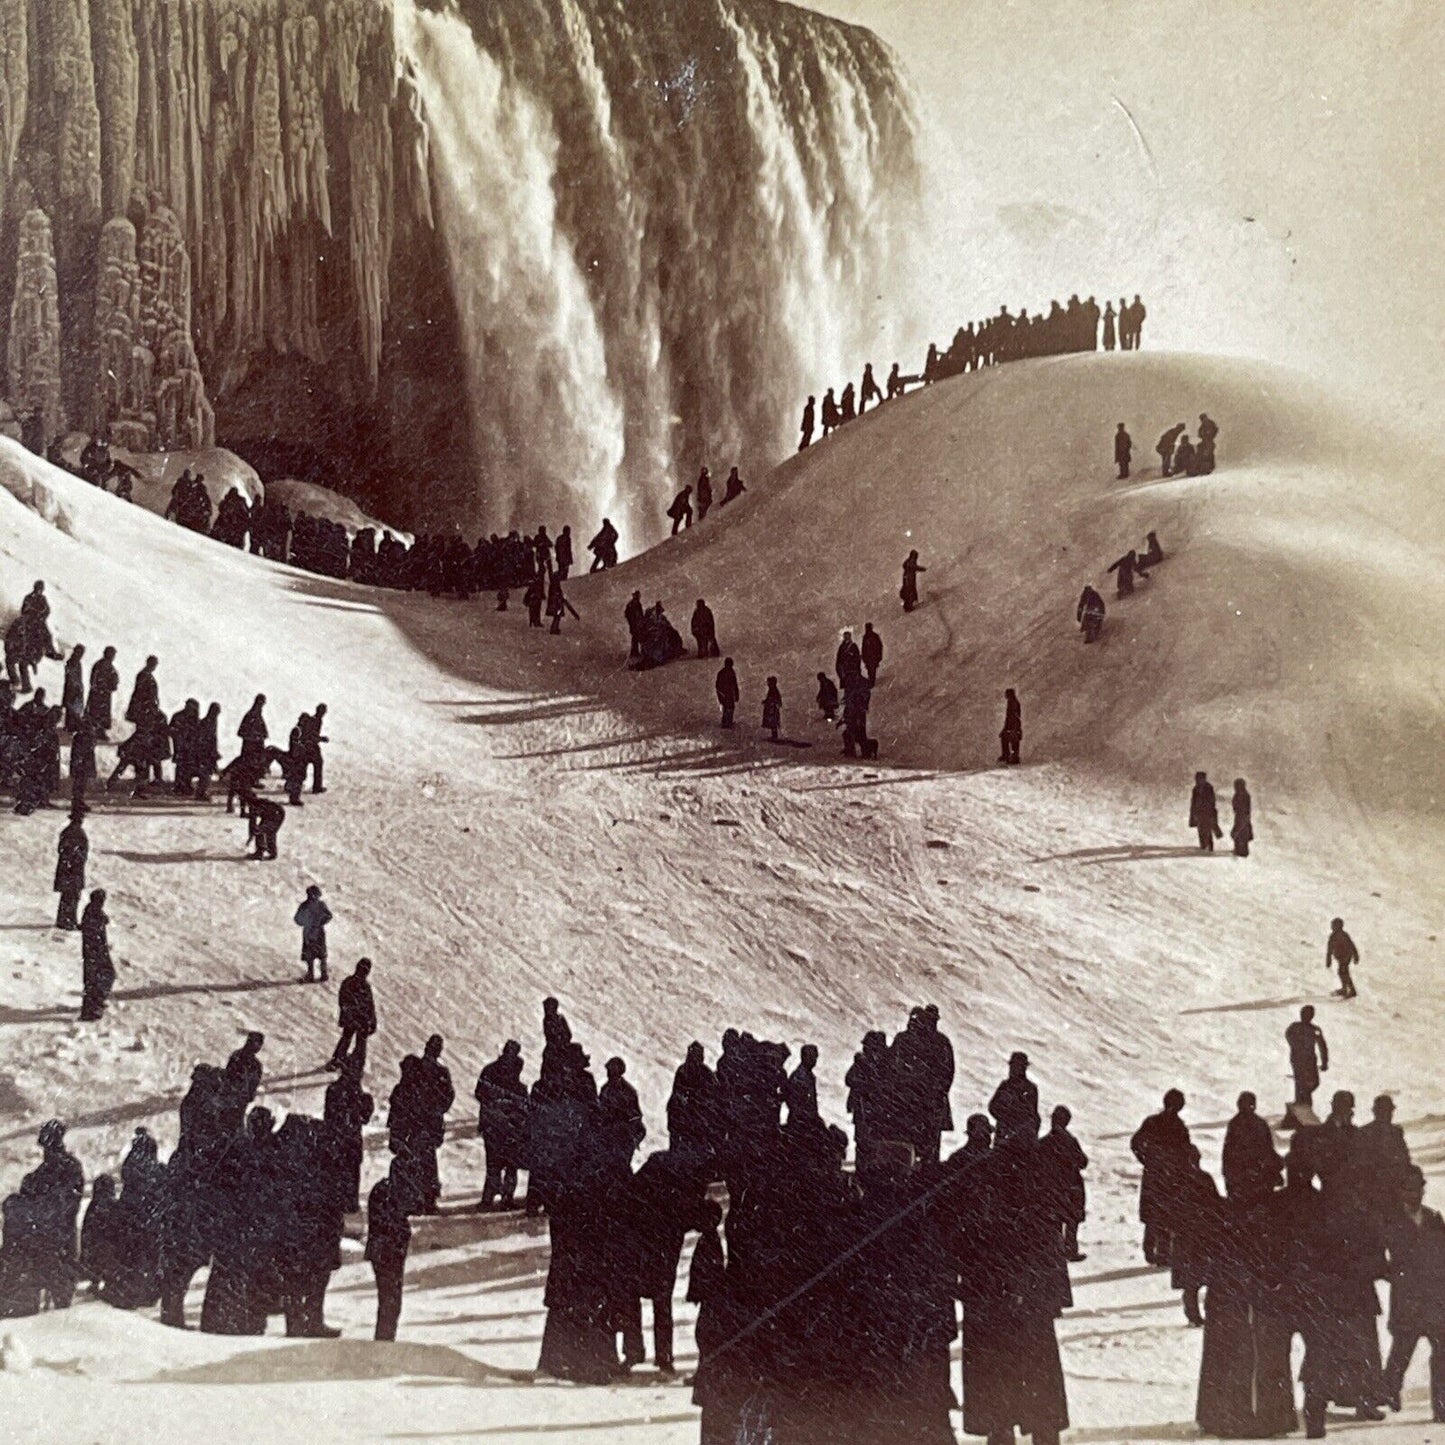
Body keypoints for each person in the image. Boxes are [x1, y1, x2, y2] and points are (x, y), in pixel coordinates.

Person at [1383, 1166, 1445, 1421]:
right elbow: (1379, 1257)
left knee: (1442, 1354)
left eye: (1418, 1188)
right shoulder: (1391, 1222)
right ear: (1400, 1192)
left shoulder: (1434, 1219)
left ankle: (1441, 1407)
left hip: (1434, 1297)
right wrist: (1394, 1274)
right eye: (1409, 1189)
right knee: (1401, 1350)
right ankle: (1389, 1389)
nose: (1415, 1194)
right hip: (1407, 1298)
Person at [1130, 1089, 1192, 1265]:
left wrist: (1146, 1159)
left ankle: (1150, 1251)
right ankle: (1162, 1254)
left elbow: (1135, 1143)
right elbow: (1186, 1154)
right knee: (1165, 1214)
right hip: (1170, 1177)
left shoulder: (1153, 1122)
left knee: (1153, 1214)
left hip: (1155, 1174)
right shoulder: (1179, 1128)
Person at [475, 1041, 528, 1210]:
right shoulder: (503, 1073)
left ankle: (490, 1198)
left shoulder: (491, 1070)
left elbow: (480, 1092)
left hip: (496, 1125)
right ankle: (503, 1197)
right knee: (506, 1164)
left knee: (496, 1164)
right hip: (505, 1126)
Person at [366, 1161, 412, 1341]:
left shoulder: (382, 1190)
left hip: (383, 1251)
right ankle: (384, 1339)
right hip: (388, 1252)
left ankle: (385, 1337)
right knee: (390, 1300)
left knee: (389, 1300)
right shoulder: (390, 1193)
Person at [1040, 1104, 1089, 1260]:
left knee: (1053, 1221)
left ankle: (1053, 1252)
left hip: (1051, 1186)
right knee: (1071, 1221)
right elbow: (1083, 1162)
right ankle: (1070, 1250)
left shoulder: (1044, 1142)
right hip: (1071, 1185)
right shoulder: (1070, 1141)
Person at [1221, 1092, 1282, 1201]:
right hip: (1251, 1177)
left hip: (1249, 1178)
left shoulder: (1237, 1124)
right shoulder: (1256, 1124)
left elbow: (1227, 1155)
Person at [329, 958, 376, 1071]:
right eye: (362, 970)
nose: (363, 973)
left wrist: (372, 1019)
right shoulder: (349, 983)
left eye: (365, 971)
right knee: (347, 1037)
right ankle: (338, 1059)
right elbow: (343, 1001)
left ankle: (357, 1062)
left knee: (361, 1042)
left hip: (362, 1020)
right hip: (351, 1019)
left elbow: (370, 1005)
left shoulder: (366, 987)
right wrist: (350, 1015)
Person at [989, 1051, 1040, 1146]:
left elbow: (1032, 1115)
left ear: (1023, 1068)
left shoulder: (1030, 1089)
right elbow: (992, 1107)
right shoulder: (1005, 1085)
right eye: (1012, 1066)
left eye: (1016, 1066)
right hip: (1005, 1134)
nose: (1012, 1069)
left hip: (1019, 1137)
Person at [79, 889, 114, 1020]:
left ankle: (94, 1005)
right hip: (95, 952)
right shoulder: (93, 913)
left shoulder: (91, 910)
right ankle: (92, 1009)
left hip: (94, 952)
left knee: (95, 980)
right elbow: (93, 928)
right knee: (97, 979)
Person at [54, 806, 88, 930]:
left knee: (69, 895)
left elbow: (62, 849)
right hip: (72, 870)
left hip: (69, 869)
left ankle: (67, 919)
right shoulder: (76, 832)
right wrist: (76, 858)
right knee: (71, 896)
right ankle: (67, 920)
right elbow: (70, 850)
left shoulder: (68, 831)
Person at [294, 885, 333, 983]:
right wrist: (319, 922)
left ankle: (318, 974)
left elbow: (297, 919)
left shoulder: (307, 905)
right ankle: (319, 974)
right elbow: (297, 919)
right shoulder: (318, 905)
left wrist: (309, 923)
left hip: (311, 933)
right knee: (317, 954)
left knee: (314, 955)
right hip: (316, 932)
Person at [85, 646, 119, 737]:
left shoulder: (109, 666)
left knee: (103, 713)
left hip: (105, 694)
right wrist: (101, 688)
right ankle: (94, 730)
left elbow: (114, 678)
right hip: (98, 694)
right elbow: (94, 680)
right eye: (112, 654)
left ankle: (100, 730)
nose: (113, 656)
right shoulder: (99, 665)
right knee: (96, 712)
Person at [242, 790, 285, 860]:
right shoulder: (258, 802)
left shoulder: (256, 805)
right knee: (268, 832)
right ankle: (272, 852)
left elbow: (253, 822)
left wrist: (251, 836)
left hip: (275, 815)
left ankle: (260, 852)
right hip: (275, 814)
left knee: (260, 831)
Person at [296, 705, 328, 794]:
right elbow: (311, 735)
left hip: (309, 746)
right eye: (323, 711)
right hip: (311, 747)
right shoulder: (315, 721)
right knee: (317, 764)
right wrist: (321, 739)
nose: (324, 713)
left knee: (306, 765)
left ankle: (298, 784)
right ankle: (316, 787)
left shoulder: (316, 720)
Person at [1327, 917, 1359, 999]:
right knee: (1342, 972)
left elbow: (1351, 945)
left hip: (1345, 957)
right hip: (1341, 957)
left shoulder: (1343, 935)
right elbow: (1329, 949)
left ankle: (1352, 990)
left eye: (1333, 925)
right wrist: (1329, 959)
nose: (1332, 927)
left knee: (1343, 972)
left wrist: (1355, 956)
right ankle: (1345, 989)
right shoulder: (1333, 936)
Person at [1189, 770, 1221, 851]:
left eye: (1199, 778)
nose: (1197, 780)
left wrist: (1210, 812)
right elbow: (1193, 802)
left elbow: (1211, 801)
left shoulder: (1208, 788)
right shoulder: (1196, 789)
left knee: (1207, 830)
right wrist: (1193, 813)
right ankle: (1203, 846)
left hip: (1207, 812)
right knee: (1201, 830)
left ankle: (1209, 847)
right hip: (1199, 813)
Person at [61, 645, 85, 733]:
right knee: (71, 708)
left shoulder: (77, 662)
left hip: (76, 689)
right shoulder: (71, 663)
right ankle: (70, 726)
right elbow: (71, 677)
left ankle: (72, 725)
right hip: (71, 689)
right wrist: (76, 686)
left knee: (75, 707)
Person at [1230, 778, 1253, 857]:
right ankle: (1239, 850)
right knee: (1239, 833)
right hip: (1240, 816)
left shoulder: (1244, 795)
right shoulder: (1239, 794)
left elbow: (1244, 808)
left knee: (1240, 833)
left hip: (1242, 817)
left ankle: (1241, 851)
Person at [999, 688, 1022, 765]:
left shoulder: (1014, 703)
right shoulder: (1012, 702)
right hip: (1011, 726)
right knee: (1006, 738)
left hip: (1013, 726)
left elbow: (1014, 716)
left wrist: (1014, 728)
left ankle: (1012, 757)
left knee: (1012, 740)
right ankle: (1009, 756)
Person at [715, 658, 739, 730]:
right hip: (728, 694)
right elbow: (734, 684)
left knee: (725, 707)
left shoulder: (721, 673)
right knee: (730, 708)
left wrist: (719, 693)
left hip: (722, 693)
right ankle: (728, 722)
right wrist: (736, 694)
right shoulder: (731, 673)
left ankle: (725, 721)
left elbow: (717, 684)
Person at [624, 590, 645, 660]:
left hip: (637, 624)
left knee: (636, 638)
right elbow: (627, 614)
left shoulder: (636, 604)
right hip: (635, 624)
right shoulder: (632, 605)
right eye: (638, 595)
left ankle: (635, 652)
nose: (639, 596)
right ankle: (637, 652)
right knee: (639, 638)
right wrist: (633, 622)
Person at [761, 677, 782, 742]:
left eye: (769, 682)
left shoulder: (773, 690)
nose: (768, 684)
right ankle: (774, 735)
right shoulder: (772, 690)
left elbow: (775, 699)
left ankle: (774, 735)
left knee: (773, 722)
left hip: (772, 709)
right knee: (773, 722)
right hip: (771, 708)